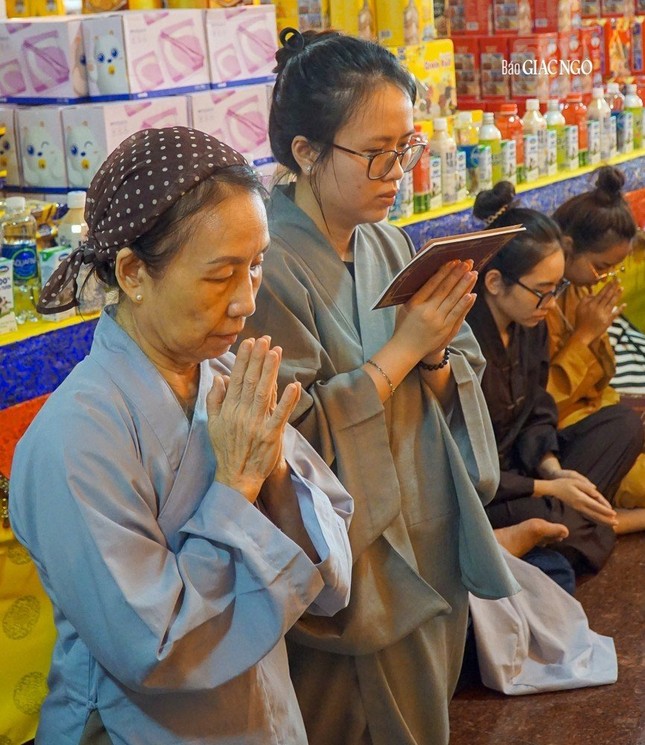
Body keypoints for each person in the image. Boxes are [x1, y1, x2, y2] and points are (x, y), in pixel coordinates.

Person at [9, 127, 353, 745]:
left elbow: (328, 569)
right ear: (133, 273)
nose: (247, 302)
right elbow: (156, 648)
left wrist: (273, 470)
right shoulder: (75, 440)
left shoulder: (222, 377)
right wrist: (237, 485)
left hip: (260, 712)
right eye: (221, 276)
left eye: (256, 265)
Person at [240, 28, 518, 745]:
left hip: (426, 525)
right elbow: (284, 441)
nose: (398, 172)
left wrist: (435, 355)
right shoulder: (267, 269)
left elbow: (452, 378)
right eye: (377, 153)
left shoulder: (387, 241)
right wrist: (405, 349)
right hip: (351, 559)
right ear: (306, 151)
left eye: (407, 149)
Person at [469, 181, 643, 579]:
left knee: (623, 425)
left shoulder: (529, 321)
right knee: (569, 514)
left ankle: (566, 532)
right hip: (491, 492)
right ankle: (595, 528)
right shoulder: (464, 345)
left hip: (531, 467)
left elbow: (538, 411)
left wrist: (552, 469)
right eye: (542, 291)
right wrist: (546, 489)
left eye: (556, 289)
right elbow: (469, 469)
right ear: (494, 283)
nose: (550, 304)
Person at [549, 166, 645, 533]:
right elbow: (540, 402)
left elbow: (601, 384)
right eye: (601, 266)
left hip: (601, 419)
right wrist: (583, 338)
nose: (602, 278)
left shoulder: (578, 287)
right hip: (559, 438)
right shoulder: (534, 299)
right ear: (567, 247)